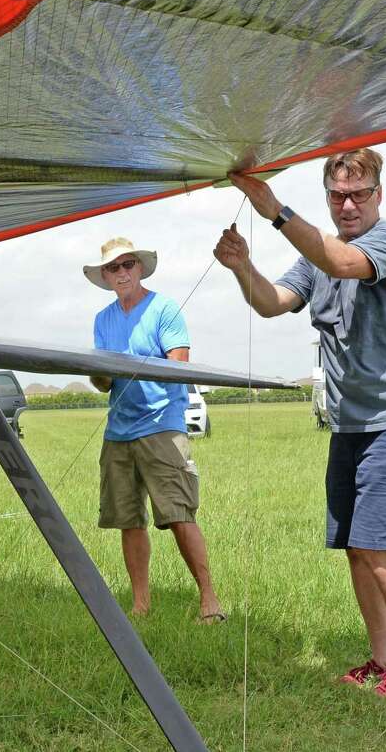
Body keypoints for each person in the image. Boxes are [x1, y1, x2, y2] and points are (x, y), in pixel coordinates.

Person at [213, 149, 386, 696]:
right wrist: (243, 267)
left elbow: (341, 262)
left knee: (383, 544)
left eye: (359, 193)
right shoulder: (314, 257)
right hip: (349, 424)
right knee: (356, 546)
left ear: (378, 195)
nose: (348, 204)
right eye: (337, 195)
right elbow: (272, 302)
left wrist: (272, 208)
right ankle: (384, 658)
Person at [84, 236, 225, 623]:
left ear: (140, 268)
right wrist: (98, 374)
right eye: (113, 268)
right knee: (128, 520)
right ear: (105, 276)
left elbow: (178, 366)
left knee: (179, 515)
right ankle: (141, 606)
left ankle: (210, 601)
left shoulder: (163, 308)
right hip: (119, 431)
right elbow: (104, 383)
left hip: (162, 426)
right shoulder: (102, 320)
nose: (122, 272)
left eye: (128, 264)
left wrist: (132, 366)